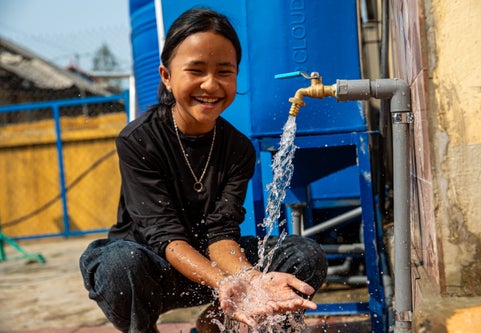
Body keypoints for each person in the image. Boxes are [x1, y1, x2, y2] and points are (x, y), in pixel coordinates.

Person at [79, 7, 327, 333]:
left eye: (224, 72)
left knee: (303, 254)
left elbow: (221, 233)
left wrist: (251, 281)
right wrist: (225, 282)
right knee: (117, 265)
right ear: (166, 76)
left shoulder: (237, 148)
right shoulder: (139, 140)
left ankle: (213, 324)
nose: (210, 85)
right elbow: (164, 236)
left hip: (212, 267)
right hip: (151, 269)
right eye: (196, 70)